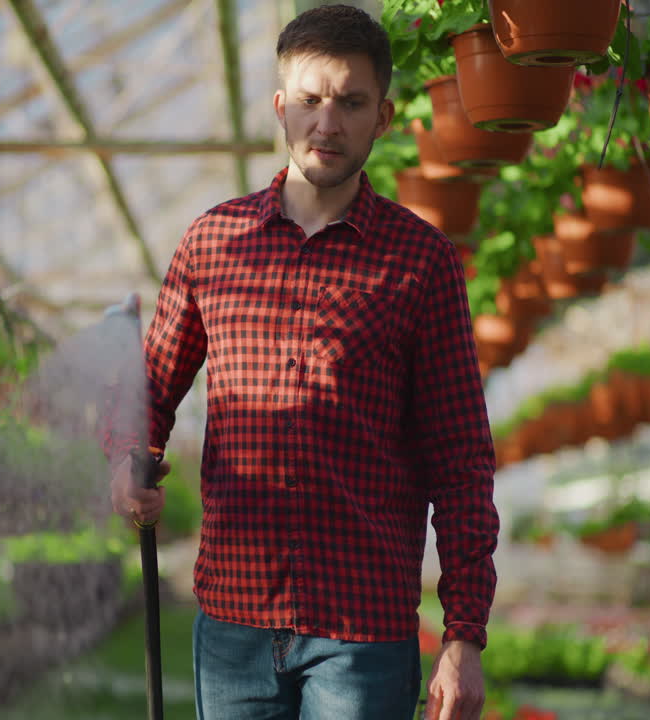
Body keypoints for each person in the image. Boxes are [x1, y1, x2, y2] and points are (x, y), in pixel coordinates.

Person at [109, 5, 499, 719]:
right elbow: (149, 389)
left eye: (351, 103)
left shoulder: (422, 265)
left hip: (361, 631)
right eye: (313, 101)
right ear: (282, 109)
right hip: (233, 624)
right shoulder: (213, 243)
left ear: (382, 119)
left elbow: (461, 458)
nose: (329, 123)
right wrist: (127, 459)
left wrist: (463, 634)